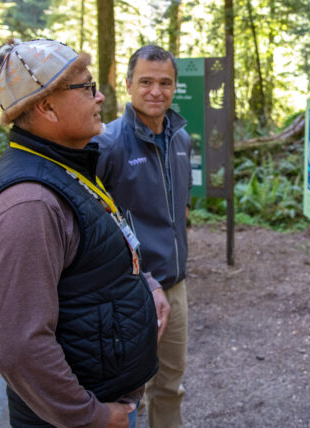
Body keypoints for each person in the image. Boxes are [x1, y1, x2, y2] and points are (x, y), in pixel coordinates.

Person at [0, 39, 168, 427]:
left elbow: (95, 257)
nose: (100, 97)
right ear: (45, 106)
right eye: (87, 87)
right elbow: (19, 350)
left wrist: (146, 284)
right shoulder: (28, 204)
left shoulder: (66, 166)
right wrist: (93, 417)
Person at [94, 44, 192, 428]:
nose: (156, 91)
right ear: (130, 85)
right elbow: (95, 221)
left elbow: (179, 210)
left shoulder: (182, 140)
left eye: (165, 83)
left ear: (174, 87)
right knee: (127, 392)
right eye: (146, 82)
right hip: (128, 291)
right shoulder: (107, 143)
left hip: (176, 285)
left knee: (170, 386)